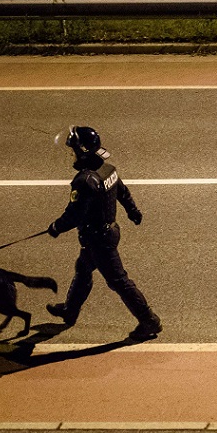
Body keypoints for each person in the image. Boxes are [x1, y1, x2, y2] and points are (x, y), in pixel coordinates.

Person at [47, 126, 162, 342]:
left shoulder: (84, 181)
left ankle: (149, 321)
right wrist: (133, 212)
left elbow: (74, 214)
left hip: (98, 240)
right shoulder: (107, 170)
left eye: (72, 150)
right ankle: (70, 310)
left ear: (82, 152)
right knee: (83, 270)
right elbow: (122, 192)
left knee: (119, 281)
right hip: (106, 233)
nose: (70, 154)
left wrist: (56, 227)